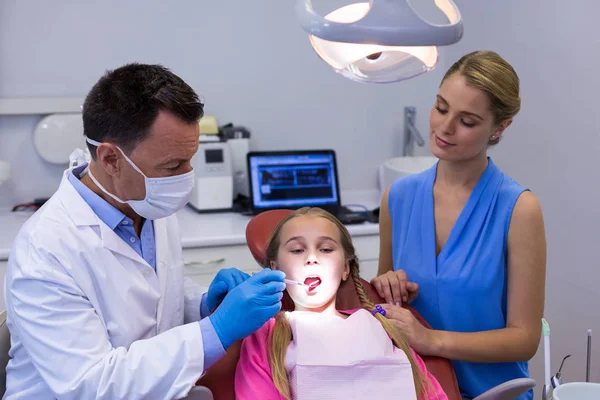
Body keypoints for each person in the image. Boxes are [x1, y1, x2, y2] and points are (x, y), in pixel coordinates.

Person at [4, 63, 286, 399]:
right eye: (173, 165)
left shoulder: (147, 200)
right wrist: (217, 330)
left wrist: (203, 304)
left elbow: (149, 298)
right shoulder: (46, 251)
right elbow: (93, 385)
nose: (186, 175)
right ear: (111, 159)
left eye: (190, 158)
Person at [371, 50, 547, 400]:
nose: (445, 127)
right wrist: (385, 287)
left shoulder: (518, 209)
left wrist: (430, 339)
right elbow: (385, 306)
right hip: (415, 390)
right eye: (441, 107)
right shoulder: (398, 198)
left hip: (493, 393)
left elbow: (524, 340)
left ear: (500, 127)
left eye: (467, 121)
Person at [235, 207, 448, 400]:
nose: (311, 258)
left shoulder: (384, 325)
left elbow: (432, 394)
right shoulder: (266, 336)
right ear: (275, 267)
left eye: (326, 249)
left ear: (346, 267)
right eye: (297, 250)